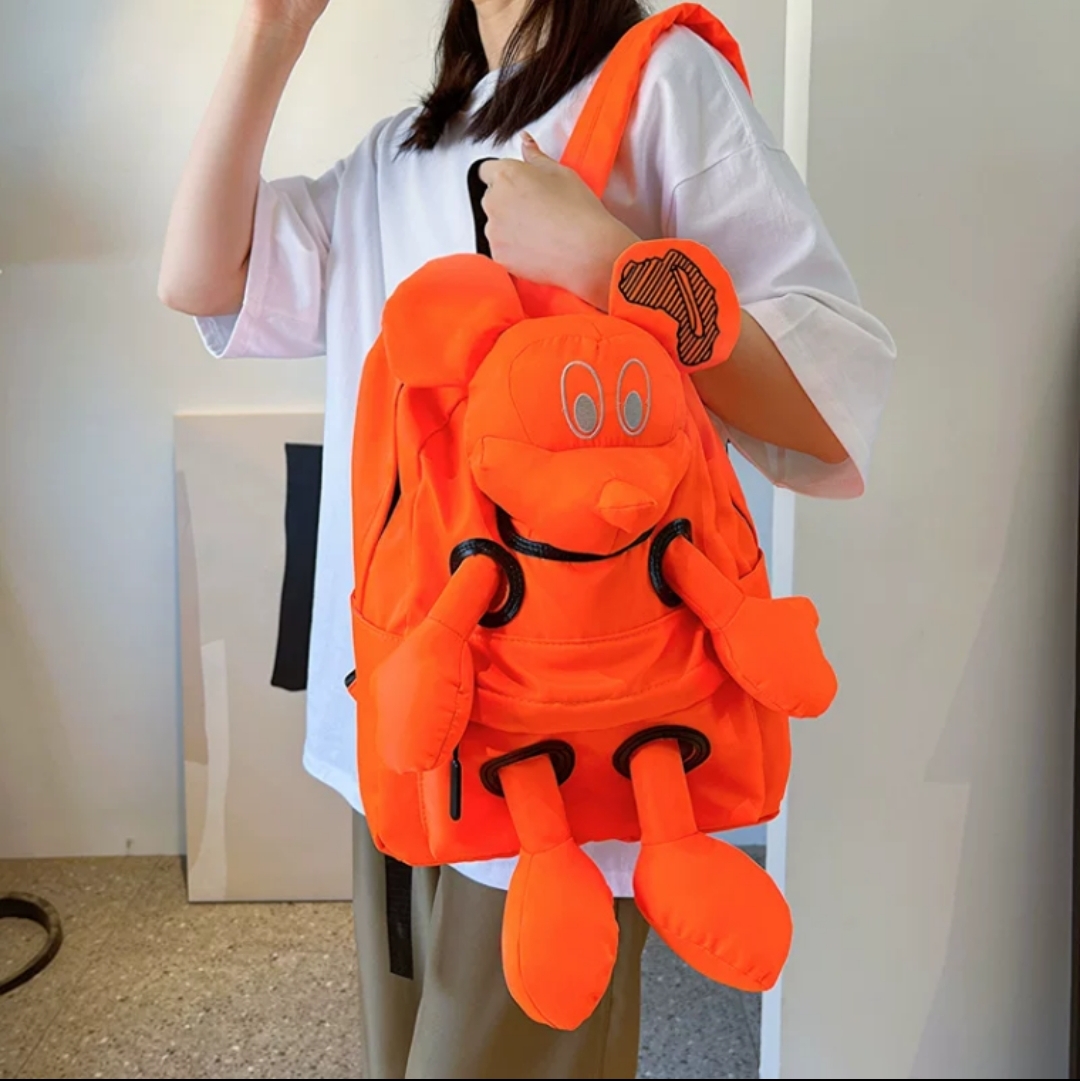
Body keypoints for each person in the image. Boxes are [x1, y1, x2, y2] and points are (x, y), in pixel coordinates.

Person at [158, 1, 896, 1077]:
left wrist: (614, 265)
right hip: (399, 722)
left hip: (561, 755)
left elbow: (826, 401)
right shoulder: (405, 149)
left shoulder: (661, 86)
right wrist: (270, 32)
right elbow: (199, 278)